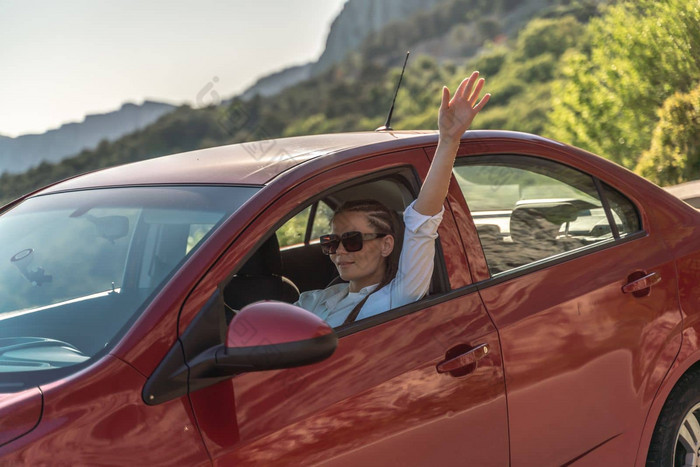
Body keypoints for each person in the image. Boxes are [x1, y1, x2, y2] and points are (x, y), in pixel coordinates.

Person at [295, 71, 490, 327]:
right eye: (331, 242)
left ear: (387, 245)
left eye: (352, 241)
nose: (339, 251)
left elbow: (422, 222)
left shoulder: (395, 298)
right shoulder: (317, 299)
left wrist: (449, 141)